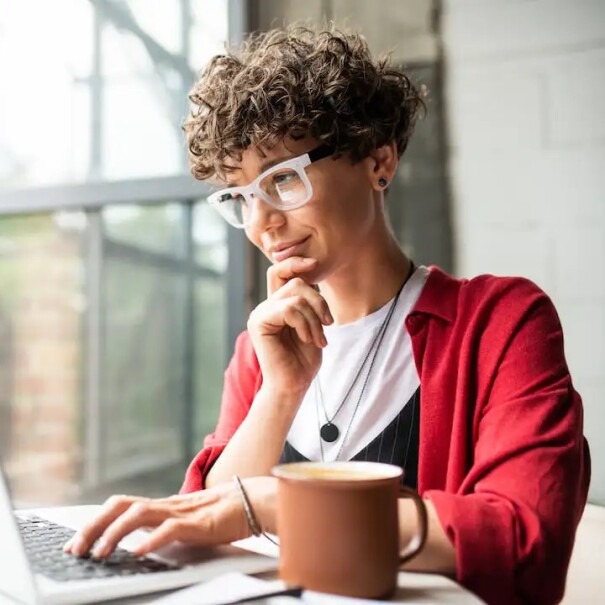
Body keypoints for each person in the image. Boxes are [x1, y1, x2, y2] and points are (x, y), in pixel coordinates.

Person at [64, 25, 590, 605]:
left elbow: (523, 540)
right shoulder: (261, 349)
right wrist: (280, 393)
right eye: (240, 196)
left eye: (282, 179)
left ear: (378, 160)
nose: (262, 223)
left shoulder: (499, 323)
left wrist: (278, 506)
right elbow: (211, 515)